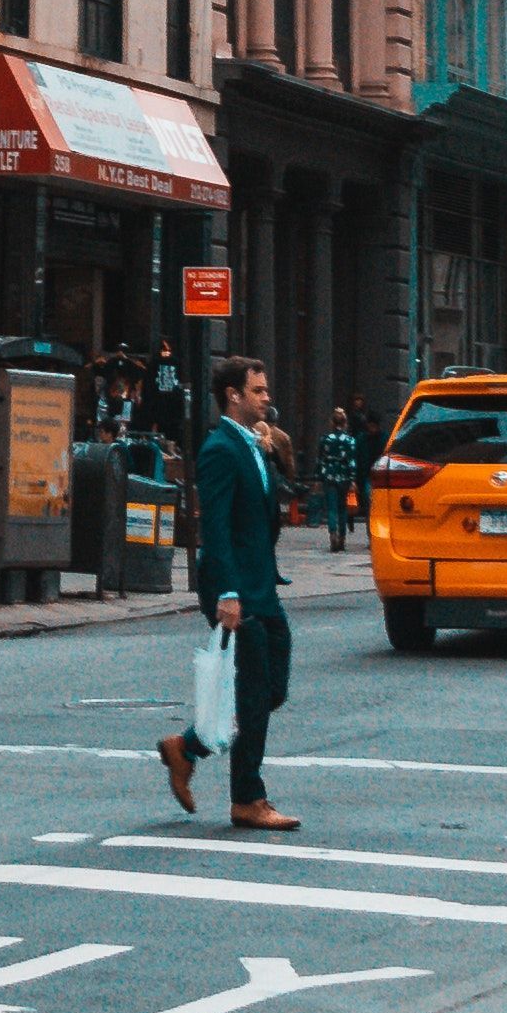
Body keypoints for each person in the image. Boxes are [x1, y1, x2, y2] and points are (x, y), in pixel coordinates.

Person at [159, 353, 298, 836]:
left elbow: (271, 509)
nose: (266, 398)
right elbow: (214, 527)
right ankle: (248, 798)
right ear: (233, 396)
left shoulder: (254, 445)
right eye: (258, 391)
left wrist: (277, 454)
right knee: (256, 695)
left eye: (265, 390)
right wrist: (227, 592)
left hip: (263, 585)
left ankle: (188, 746)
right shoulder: (220, 449)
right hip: (237, 589)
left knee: (272, 687)